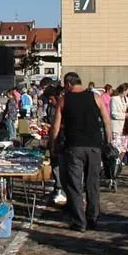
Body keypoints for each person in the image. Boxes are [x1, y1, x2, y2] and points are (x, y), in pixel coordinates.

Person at [50, 72, 112, 232]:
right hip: (94, 146)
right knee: (93, 183)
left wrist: (53, 145)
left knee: (74, 185)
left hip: (74, 146)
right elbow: (106, 120)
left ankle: (79, 221)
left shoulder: (64, 100)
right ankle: (93, 217)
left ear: (68, 84)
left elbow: (56, 126)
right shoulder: (96, 97)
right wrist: (108, 141)